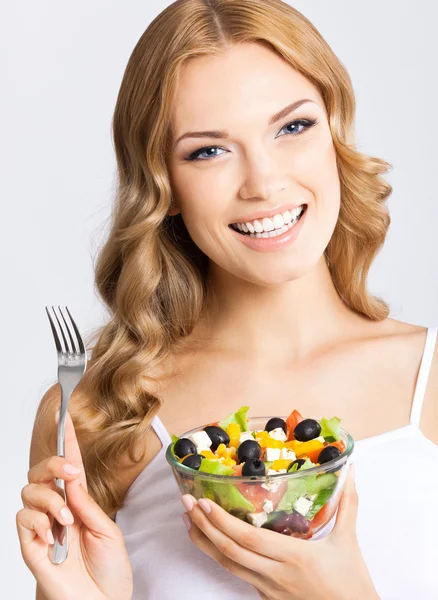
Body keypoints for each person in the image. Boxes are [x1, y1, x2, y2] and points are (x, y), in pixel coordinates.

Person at [16, 0, 438, 599]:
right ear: (164, 186)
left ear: (335, 132)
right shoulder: (100, 412)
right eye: (208, 151)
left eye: (293, 127)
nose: (263, 182)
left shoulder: (432, 381)